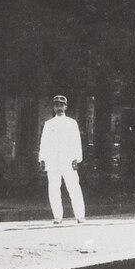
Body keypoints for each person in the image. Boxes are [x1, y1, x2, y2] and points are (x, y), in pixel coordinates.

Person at [38, 94, 86, 224]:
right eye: (56, 105)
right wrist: (42, 159)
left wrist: (76, 159)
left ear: (66, 106)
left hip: (68, 160)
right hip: (53, 161)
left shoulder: (71, 123)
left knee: (73, 187)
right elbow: (44, 142)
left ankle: (80, 215)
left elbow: (77, 141)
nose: (59, 107)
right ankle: (57, 216)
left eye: (61, 105)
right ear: (53, 107)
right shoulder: (48, 124)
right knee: (53, 188)